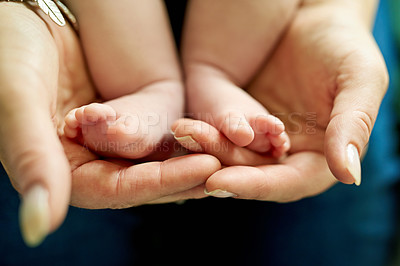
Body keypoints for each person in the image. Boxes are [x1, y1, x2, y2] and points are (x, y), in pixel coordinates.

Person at [0, 0, 397, 265]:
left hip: (277, 30)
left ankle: (203, 76)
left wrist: (333, 11)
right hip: (71, 18)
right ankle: (158, 86)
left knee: (320, 237)